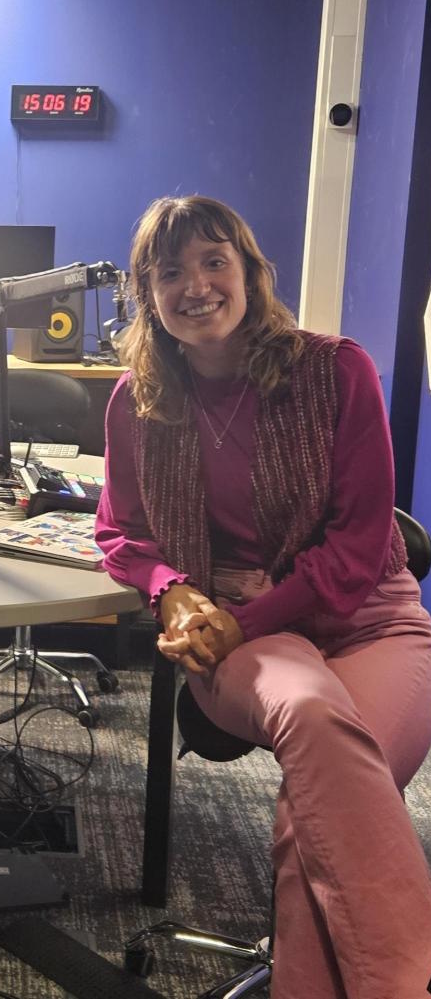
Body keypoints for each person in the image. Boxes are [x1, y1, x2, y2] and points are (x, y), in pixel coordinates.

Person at [96, 194, 431, 998]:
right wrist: (173, 593)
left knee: (306, 822)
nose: (195, 286)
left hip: (370, 623)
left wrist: (238, 618)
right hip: (243, 638)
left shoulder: (335, 371)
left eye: (213, 261)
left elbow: (356, 549)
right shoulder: (135, 401)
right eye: (169, 272)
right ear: (146, 294)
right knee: (310, 714)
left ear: (249, 272)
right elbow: (121, 533)